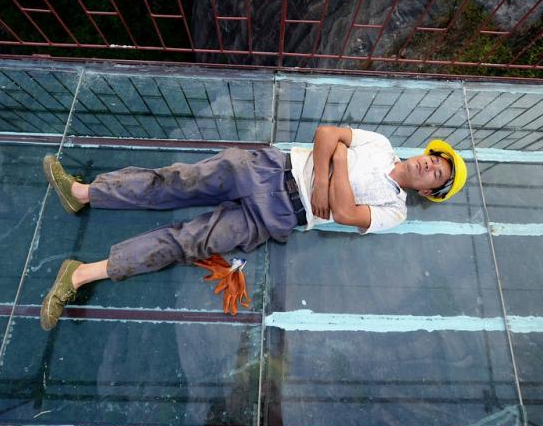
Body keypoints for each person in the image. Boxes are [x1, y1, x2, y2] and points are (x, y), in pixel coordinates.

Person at [39, 125, 467, 330]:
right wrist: (328, 167)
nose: (430, 164)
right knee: (177, 180)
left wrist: (337, 159)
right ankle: (82, 193)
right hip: (267, 166)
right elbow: (324, 134)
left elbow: (345, 214)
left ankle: (79, 274)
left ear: (430, 192)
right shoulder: (381, 145)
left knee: (188, 241)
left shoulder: (395, 211)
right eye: (434, 157)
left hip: (277, 217)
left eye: (436, 174)